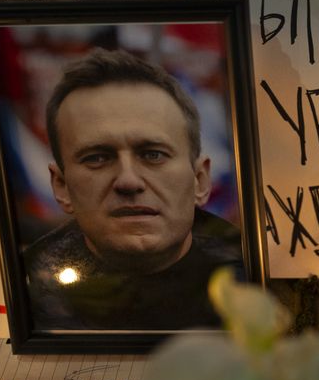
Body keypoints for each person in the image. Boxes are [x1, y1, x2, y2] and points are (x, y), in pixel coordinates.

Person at [24, 48, 246, 330]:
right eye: (97, 158)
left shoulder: (267, 283)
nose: (128, 181)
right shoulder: (20, 293)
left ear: (200, 180)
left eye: (153, 154)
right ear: (62, 187)